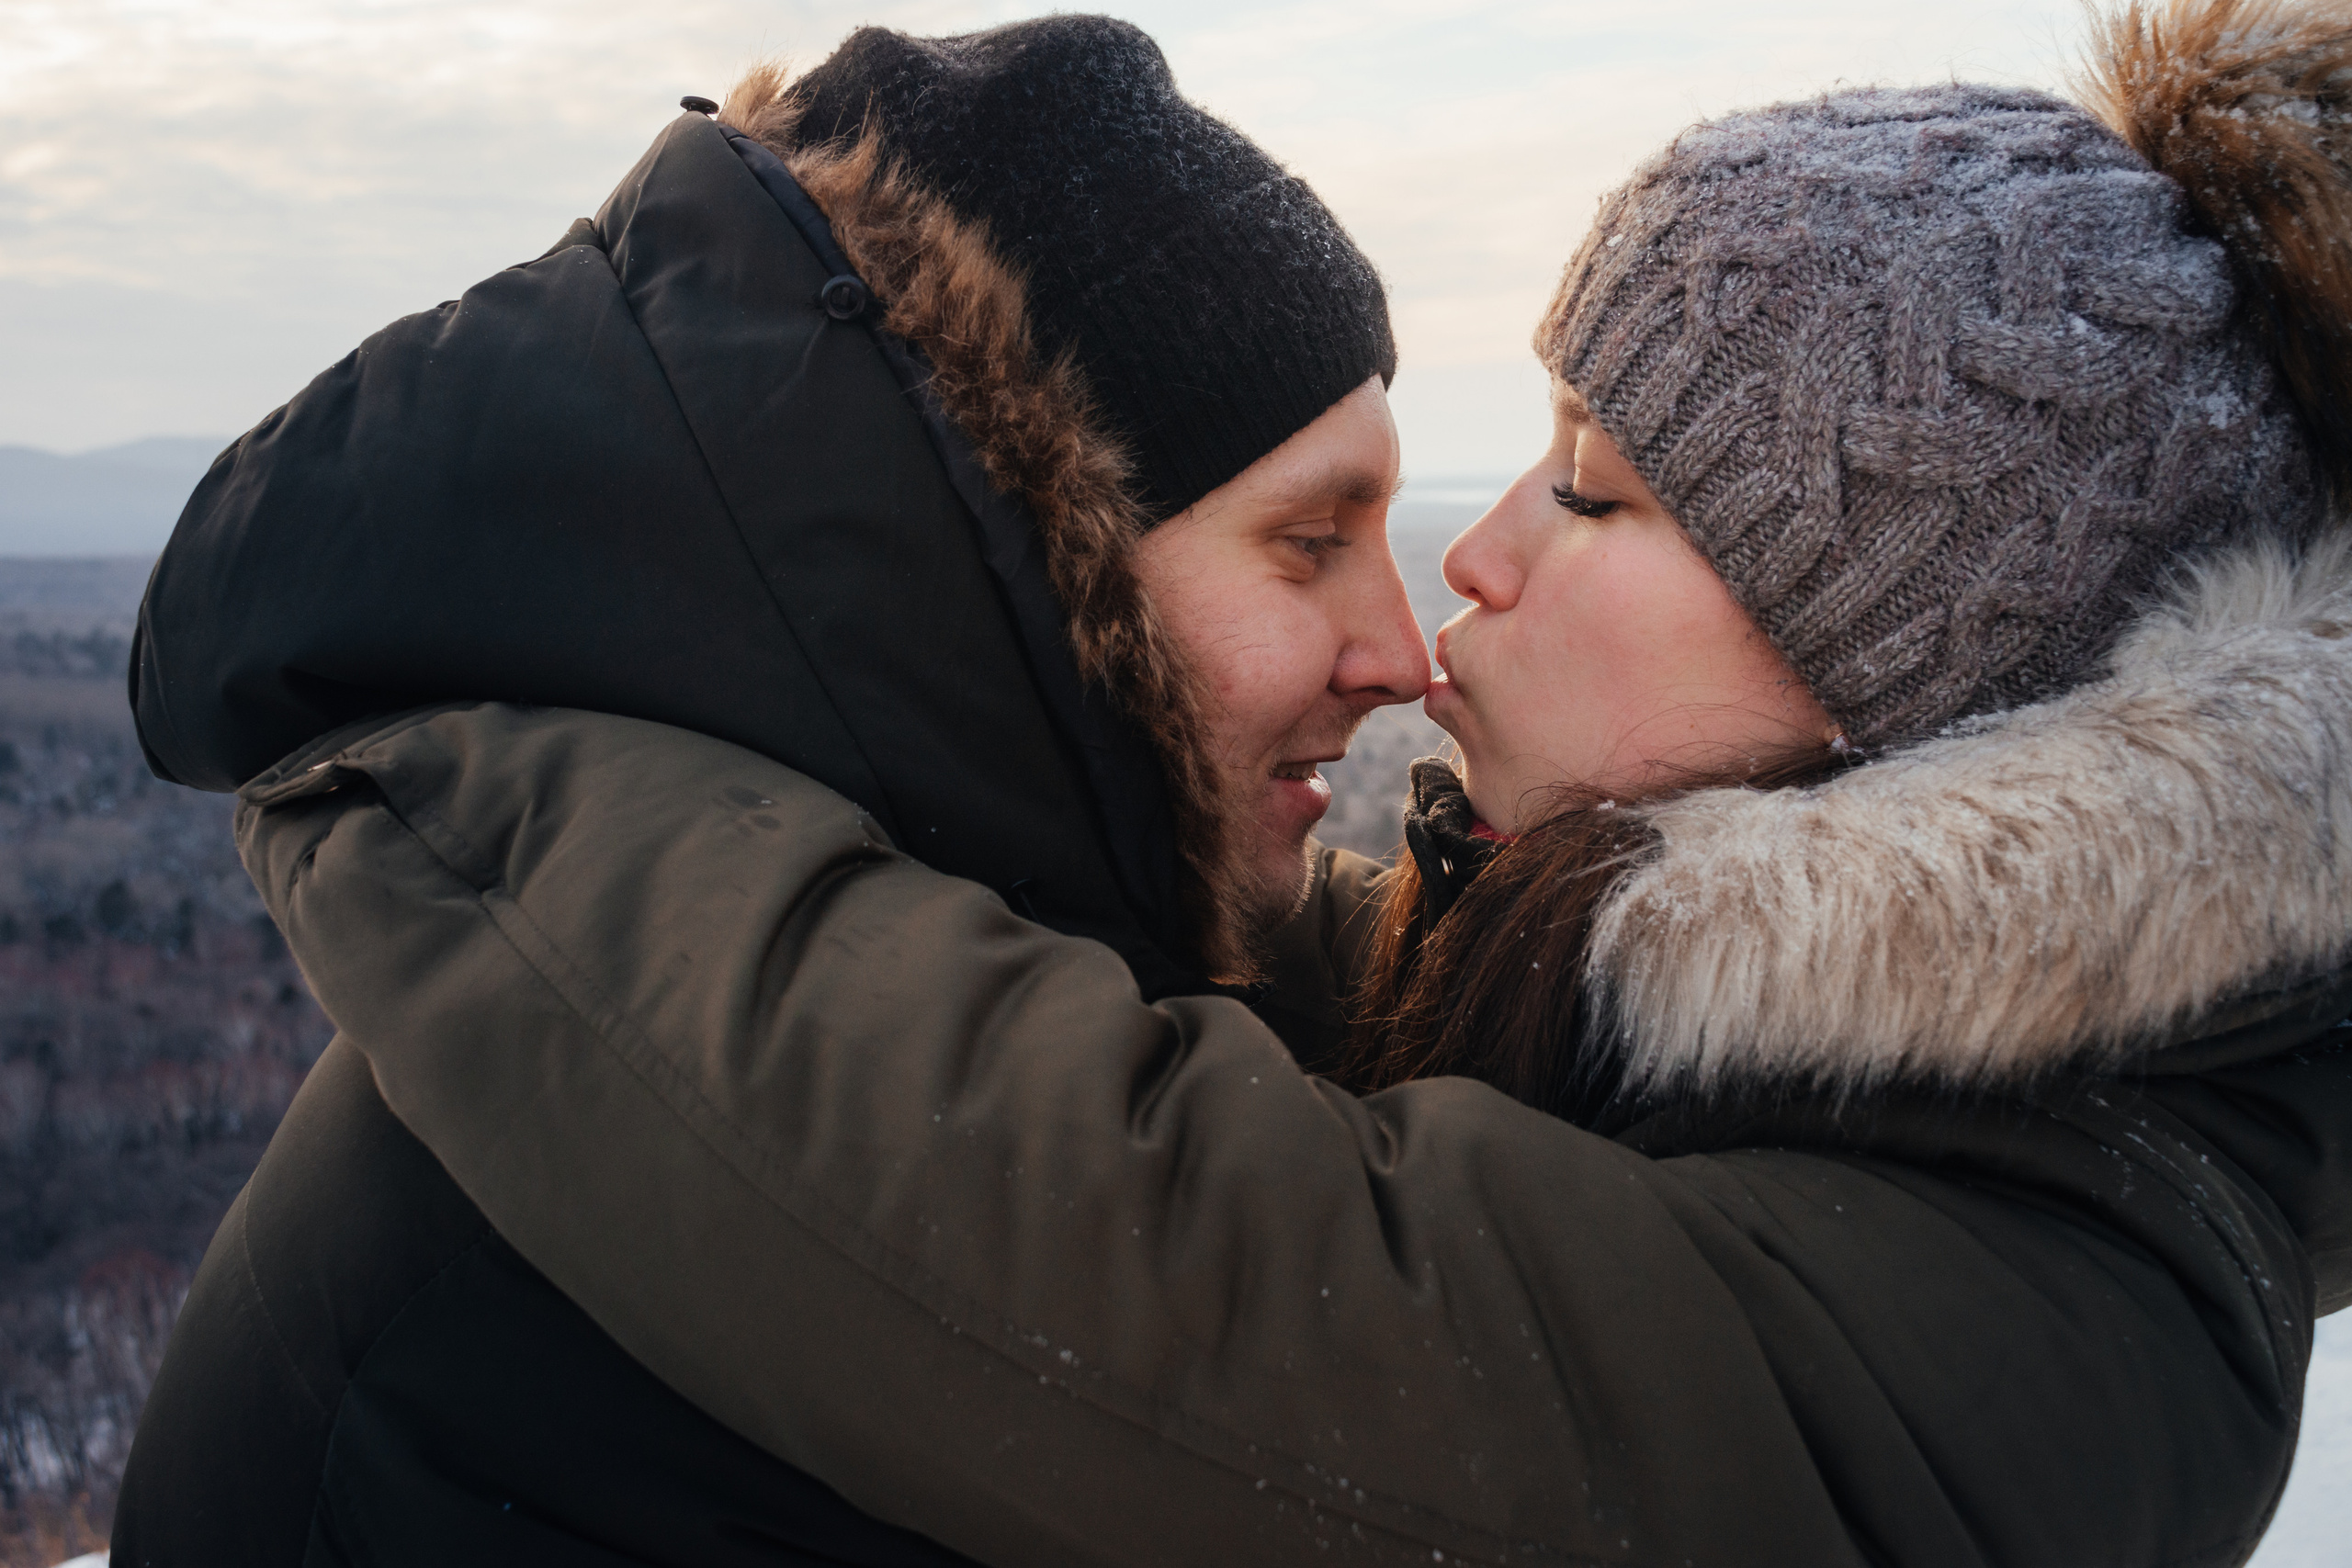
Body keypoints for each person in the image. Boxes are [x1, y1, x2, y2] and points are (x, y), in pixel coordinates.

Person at [126, 4, 2352, 1566]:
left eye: (1589, 492)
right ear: (1049, 574)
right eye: (1315, 534)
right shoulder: (1665, 991)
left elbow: (1208, 1278)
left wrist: (486, 804)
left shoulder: (2077, 1262)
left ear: (1909, 644)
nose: (1451, 587)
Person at [112, 17, 1423, 1564]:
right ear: (1046, 554)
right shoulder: (645, 1273)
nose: (1402, 652)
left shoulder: (914, 1001)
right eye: (1310, 541)